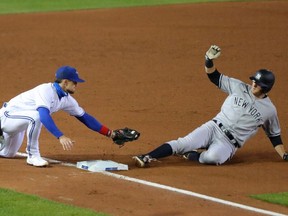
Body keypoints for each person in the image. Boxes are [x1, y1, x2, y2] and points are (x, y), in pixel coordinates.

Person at [133, 45, 288, 167]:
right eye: (254, 80)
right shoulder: (239, 86)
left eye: (258, 83)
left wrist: (284, 155)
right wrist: (208, 59)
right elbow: (214, 76)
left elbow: (274, 136)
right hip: (214, 127)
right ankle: (147, 156)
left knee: (213, 158)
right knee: (183, 143)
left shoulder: (269, 110)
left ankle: (192, 155)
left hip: (229, 143)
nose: (253, 83)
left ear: (266, 87)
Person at [0, 66, 127, 167]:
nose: (76, 85)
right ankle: (33, 155)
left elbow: (85, 118)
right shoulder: (45, 90)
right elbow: (43, 116)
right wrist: (60, 136)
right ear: (65, 82)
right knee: (37, 116)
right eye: (75, 82)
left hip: (20, 122)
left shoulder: (66, 99)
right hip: (7, 117)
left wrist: (111, 133)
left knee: (7, 154)